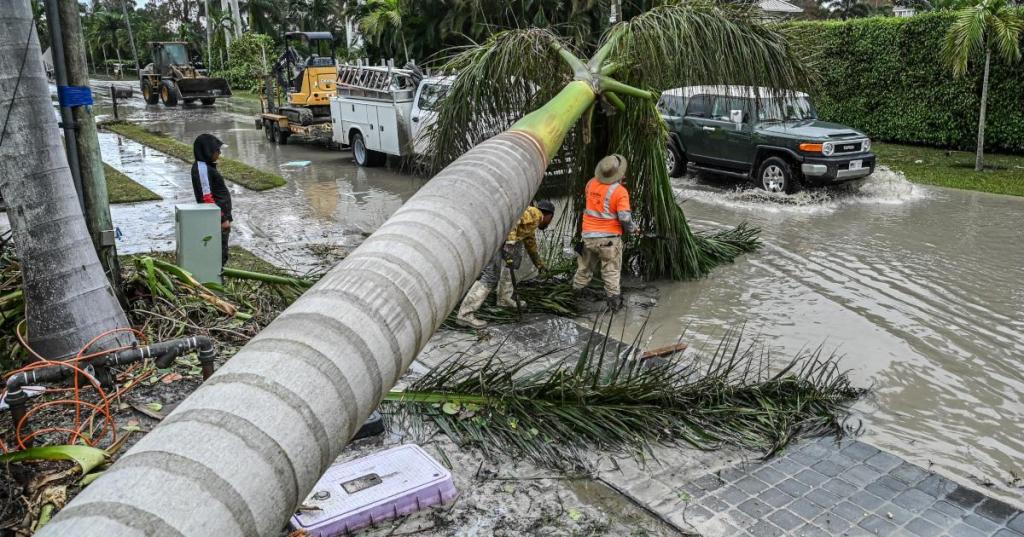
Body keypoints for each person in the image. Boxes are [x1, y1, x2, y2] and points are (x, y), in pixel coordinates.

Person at [456, 200, 556, 329]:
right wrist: (510, 244)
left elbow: (531, 245)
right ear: (549, 216)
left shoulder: (532, 222)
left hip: (498, 238)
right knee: (491, 275)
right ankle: (465, 314)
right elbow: (514, 219)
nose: (549, 222)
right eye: (550, 219)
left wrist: (539, 264)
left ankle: (504, 299)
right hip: (493, 239)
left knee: (514, 261)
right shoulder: (535, 213)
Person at [572, 154, 636, 310]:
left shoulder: (590, 184)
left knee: (584, 268)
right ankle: (615, 307)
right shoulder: (620, 191)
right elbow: (624, 218)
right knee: (611, 272)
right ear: (619, 174)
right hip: (608, 241)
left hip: (588, 237)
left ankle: (574, 298)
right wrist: (633, 229)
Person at [190, 134, 232, 265]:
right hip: (216, 220)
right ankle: (216, 280)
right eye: (217, 150)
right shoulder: (202, 169)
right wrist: (222, 219)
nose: (219, 153)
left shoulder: (206, 167)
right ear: (207, 151)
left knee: (220, 253)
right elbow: (207, 198)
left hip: (217, 217)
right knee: (218, 254)